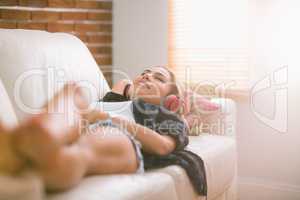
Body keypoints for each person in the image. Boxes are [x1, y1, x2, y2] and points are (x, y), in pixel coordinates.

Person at [0, 66, 189, 192]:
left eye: (159, 78)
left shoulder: (166, 116)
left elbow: (163, 146)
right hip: (75, 124)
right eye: (145, 72)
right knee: (73, 91)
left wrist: (105, 118)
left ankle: (26, 150)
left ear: (169, 98)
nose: (148, 75)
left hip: (119, 135)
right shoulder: (111, 100)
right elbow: (120, 87)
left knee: (83, 149)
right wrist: (123, 91)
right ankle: (35, 137)